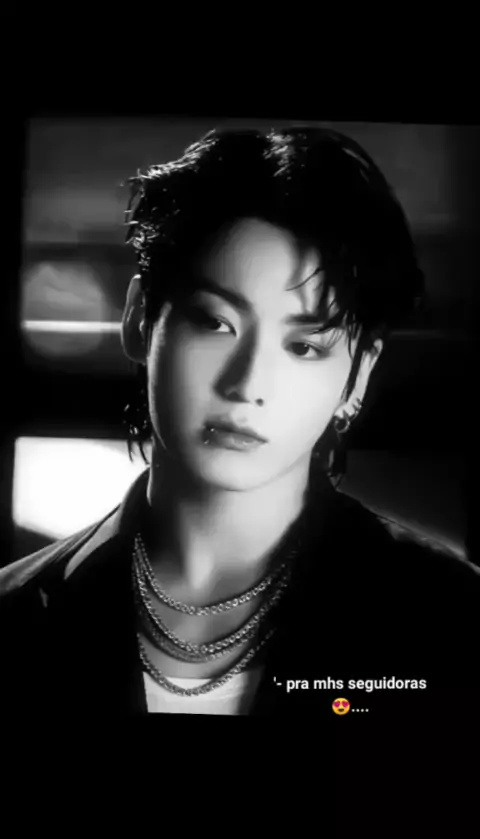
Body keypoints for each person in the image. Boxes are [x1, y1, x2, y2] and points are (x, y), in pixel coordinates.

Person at [1, 127, 479, 721]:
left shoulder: (452, 619)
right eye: (215, 322)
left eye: (303, 346)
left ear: (357, 377)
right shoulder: (15, 613)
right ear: (141, 319)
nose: (248, 383)